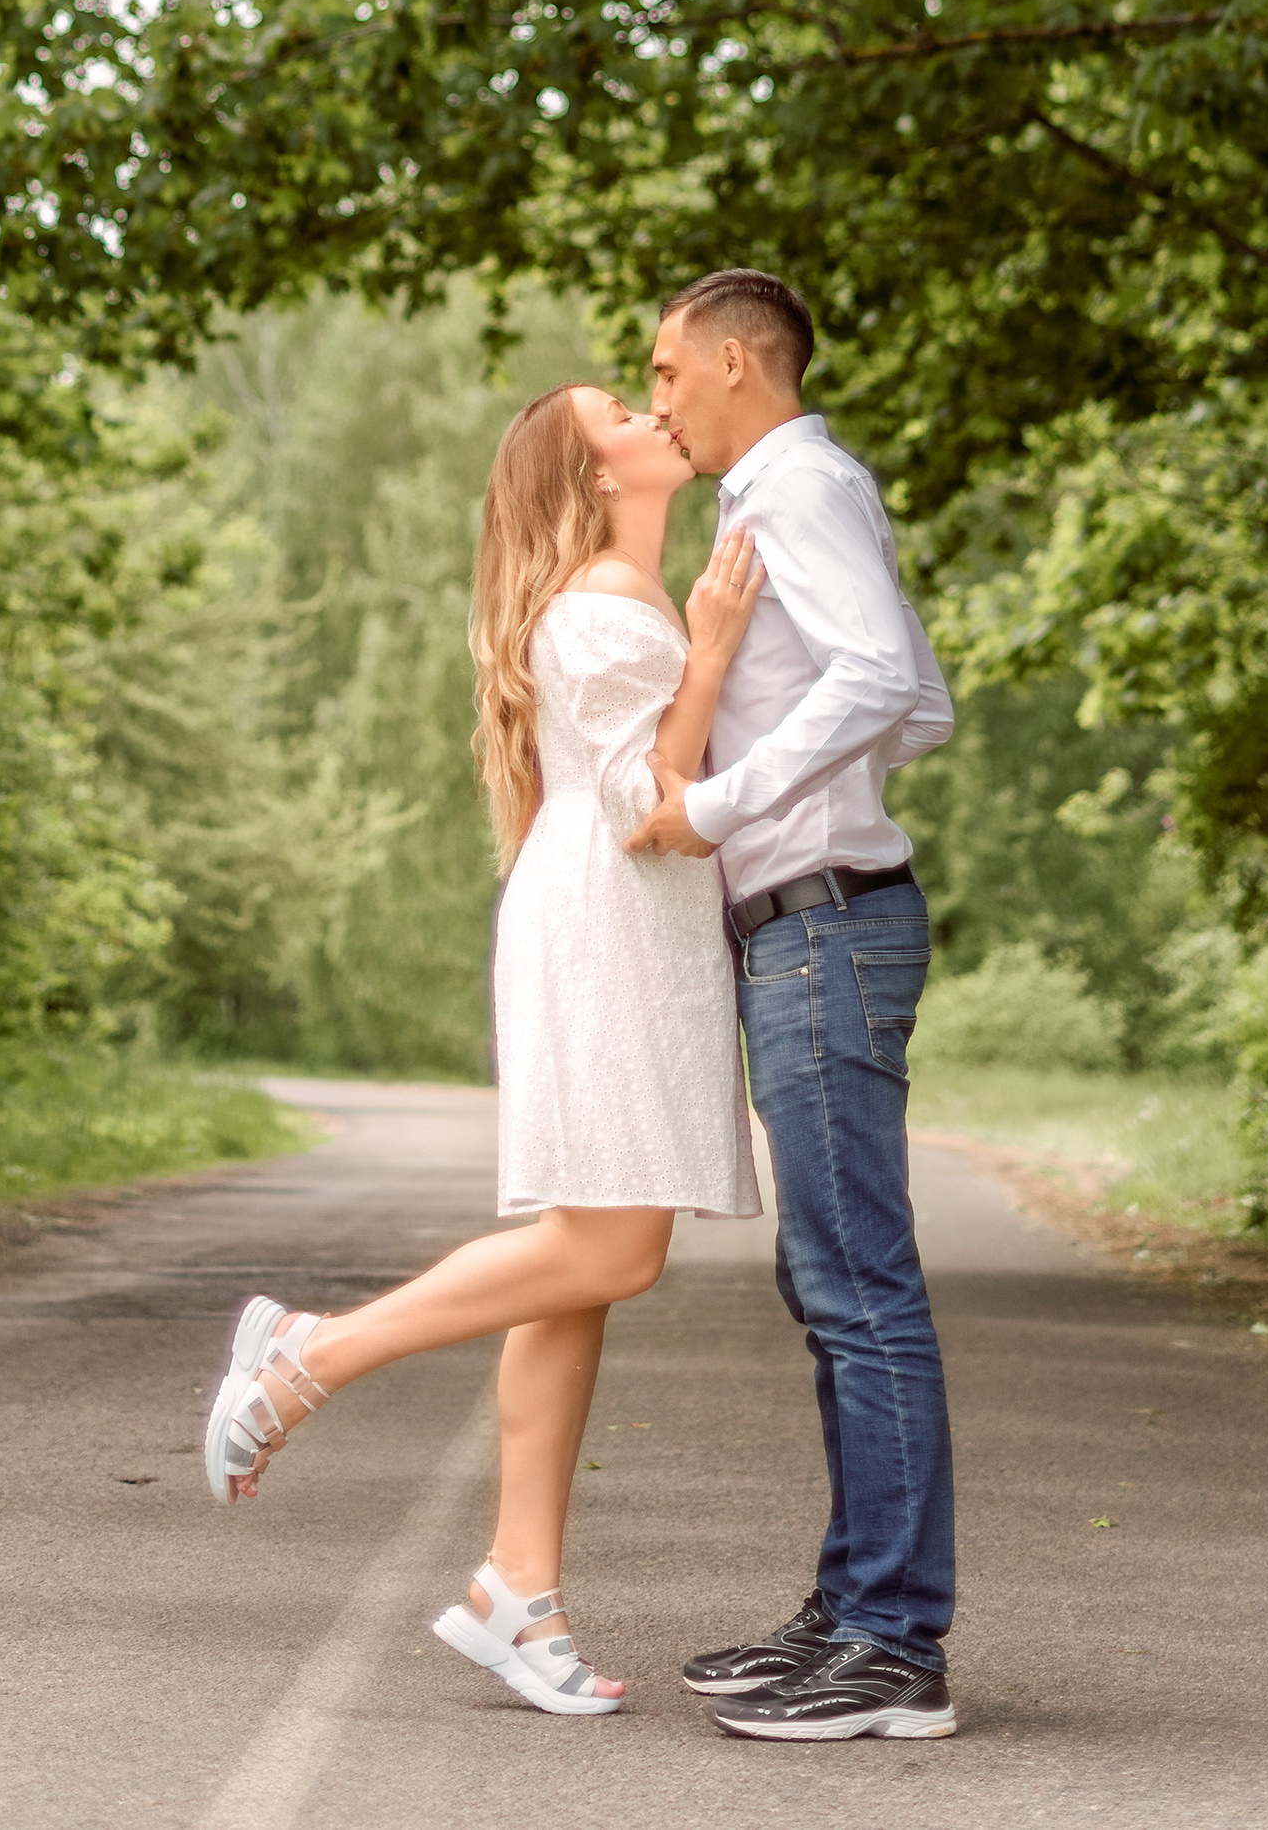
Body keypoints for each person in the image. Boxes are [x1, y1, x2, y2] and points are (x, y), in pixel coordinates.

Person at [197, 379, 765, 1716]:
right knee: (616, 1245)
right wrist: (718, 647)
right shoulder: (610, 610)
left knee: (575, 1272)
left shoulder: (614, 604)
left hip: (623, 924)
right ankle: (306, 1357)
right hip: (611, 920)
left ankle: (521, 1587)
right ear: (587, 475)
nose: (652, 408)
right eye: (624, 406)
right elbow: (653, 802)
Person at [629, 266, 960, 1745]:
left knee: (858, 1289)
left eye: (667, 369)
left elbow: (888, 675)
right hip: (816, 923)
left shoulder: (790, 487)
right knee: (831, 1285)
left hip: (825, 925)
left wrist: (721, 799)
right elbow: (921, 703)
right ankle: (856, 1606)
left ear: (740, 359)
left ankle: (896, 1642)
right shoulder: (800, 488)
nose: (656, 398)